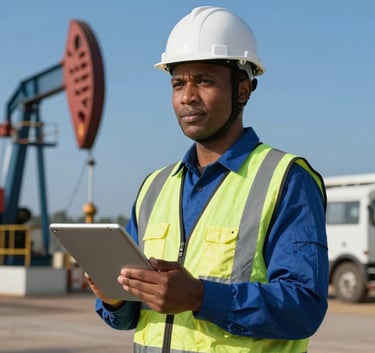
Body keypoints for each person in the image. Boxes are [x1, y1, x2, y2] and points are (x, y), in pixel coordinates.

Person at [87, 6, 328, 353]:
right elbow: (129, 318)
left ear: (243, 90)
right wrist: (114, 298)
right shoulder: (155, 187)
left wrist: (202, 296)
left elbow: (304, 306)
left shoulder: (287, 179)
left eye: (204, 80)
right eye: (178, 83)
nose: (188, 96)